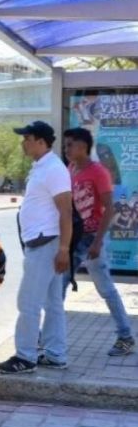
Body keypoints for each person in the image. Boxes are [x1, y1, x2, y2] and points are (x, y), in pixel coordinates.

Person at [0, 121, 72, 374]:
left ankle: (25, 357)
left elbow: (66, 212)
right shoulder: (42, 167)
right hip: (44, 243)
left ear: (41, 141)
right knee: (52, 304)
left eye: (26, 138)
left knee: (28, 303)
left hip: (46, 244)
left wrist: (63, 249)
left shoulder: (53, 169)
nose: (22, 142)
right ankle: (55, 355)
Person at [64, 128, 135, 356]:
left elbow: (110, 208)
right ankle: (47, 336)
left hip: (91, 237)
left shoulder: (98, 172)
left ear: (83, 147)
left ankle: (125, 337)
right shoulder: (71, 168)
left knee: (104, 288)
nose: (66, 150)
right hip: (76, 236)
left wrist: (97, 242)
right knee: (59, 285)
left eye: (70, 145)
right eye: (65, 145)